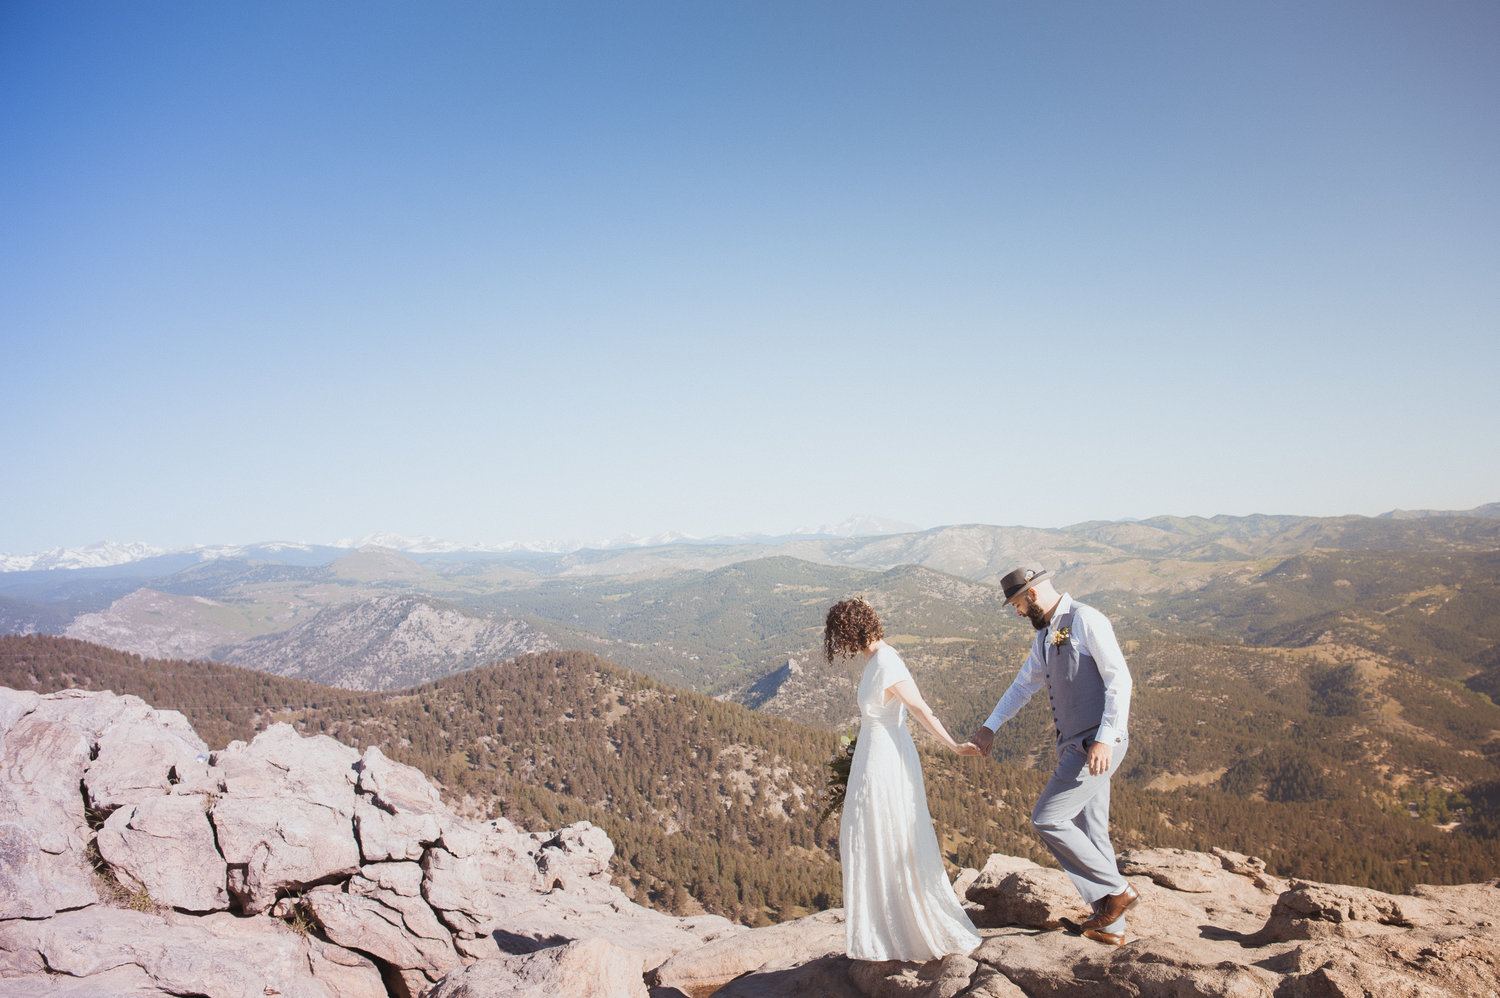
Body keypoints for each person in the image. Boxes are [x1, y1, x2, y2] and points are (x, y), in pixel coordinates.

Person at [967, 567, 1139, 947]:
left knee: (1047, 818)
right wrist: (991, 726)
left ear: (1032, 596)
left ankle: (1116, 891)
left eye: (1017, 605)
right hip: (1074, 744)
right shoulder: (1046, 635)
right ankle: (1109, 927)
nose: (1017, 613)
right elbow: (1023, 684)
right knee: (1093, 832)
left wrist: (1105, 739)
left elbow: (1119, 680)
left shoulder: (1087, 620)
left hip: (1096, 744)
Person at [824, 597, 983, 963]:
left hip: (885, 757)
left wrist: (955, 746)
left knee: (883, 831)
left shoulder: (886, 661)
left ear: (850, 632)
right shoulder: (875, 661)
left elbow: (919, 708)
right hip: (872, 751)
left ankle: (899, 929)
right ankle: (884, 925)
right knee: (868, 832)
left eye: (840, 636)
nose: (839, 645)